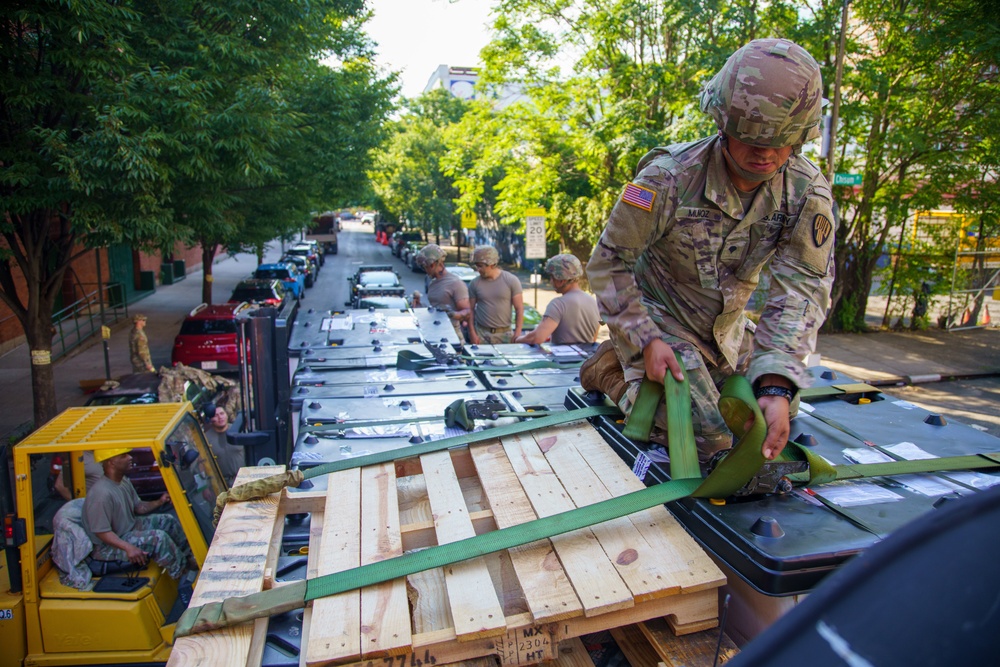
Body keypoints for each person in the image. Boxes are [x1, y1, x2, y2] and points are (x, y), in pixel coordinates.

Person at [585, 38, 835, 463]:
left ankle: (720, 377)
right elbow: (609, 264)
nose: (767, 153)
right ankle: (611, 369)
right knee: (708, 437)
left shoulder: (805, 191)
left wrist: (775, 381)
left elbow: (802, 288)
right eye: (752, 140)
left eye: (783, 141)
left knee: (776, 407)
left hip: (728, 332)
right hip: (661, 322)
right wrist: (645, 341)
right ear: (722, 123)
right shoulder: (666, 179)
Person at [82, 448, 194, 580]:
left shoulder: (122, 481)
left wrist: (159, 502)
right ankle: (183, 575)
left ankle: (190, 557)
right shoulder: (100, 494)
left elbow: (139, 507)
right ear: (111, 462)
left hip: (128, 528)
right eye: (124, 456)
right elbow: (102, 532)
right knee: (158, 538)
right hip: (106, 548)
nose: (130, 457)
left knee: (167, 520)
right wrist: (129, 548)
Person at [515, 254, 601, 345]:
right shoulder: (593, 302)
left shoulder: (558, 304)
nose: (551, 281)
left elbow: (537, 338)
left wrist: (517, 339)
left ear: (561, 280)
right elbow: (593, 339)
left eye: (552, 277)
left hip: (564, 359)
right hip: (589, 357)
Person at [467, 246, 524, 345]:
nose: (478, 270)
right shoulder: (474, 283)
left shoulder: (511, 280)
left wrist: (517, 332)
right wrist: (472, 333)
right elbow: (470, 310)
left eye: (480, 266)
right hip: (481, 334)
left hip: (505, 334)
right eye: (477, 266)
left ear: (492, 264)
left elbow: (519, 308)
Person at [414, 244, 471, 341]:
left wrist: (452, 314)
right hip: (435, 332)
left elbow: (468, 312)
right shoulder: (433, 283)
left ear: (433, 264)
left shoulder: (455, 283)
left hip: (452, 334)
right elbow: (435, 307)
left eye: (425, 267)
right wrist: (420, 306)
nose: (425, 271)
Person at [202, 405, 244, 486]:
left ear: (226, 414)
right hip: (222, 484)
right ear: (210, 419)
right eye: (215, 415)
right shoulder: (205, 438)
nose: (220, 417)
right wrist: (205, 487)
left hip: (244, 479)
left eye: (222, 413)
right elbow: (202, 464)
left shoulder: (238, 430)